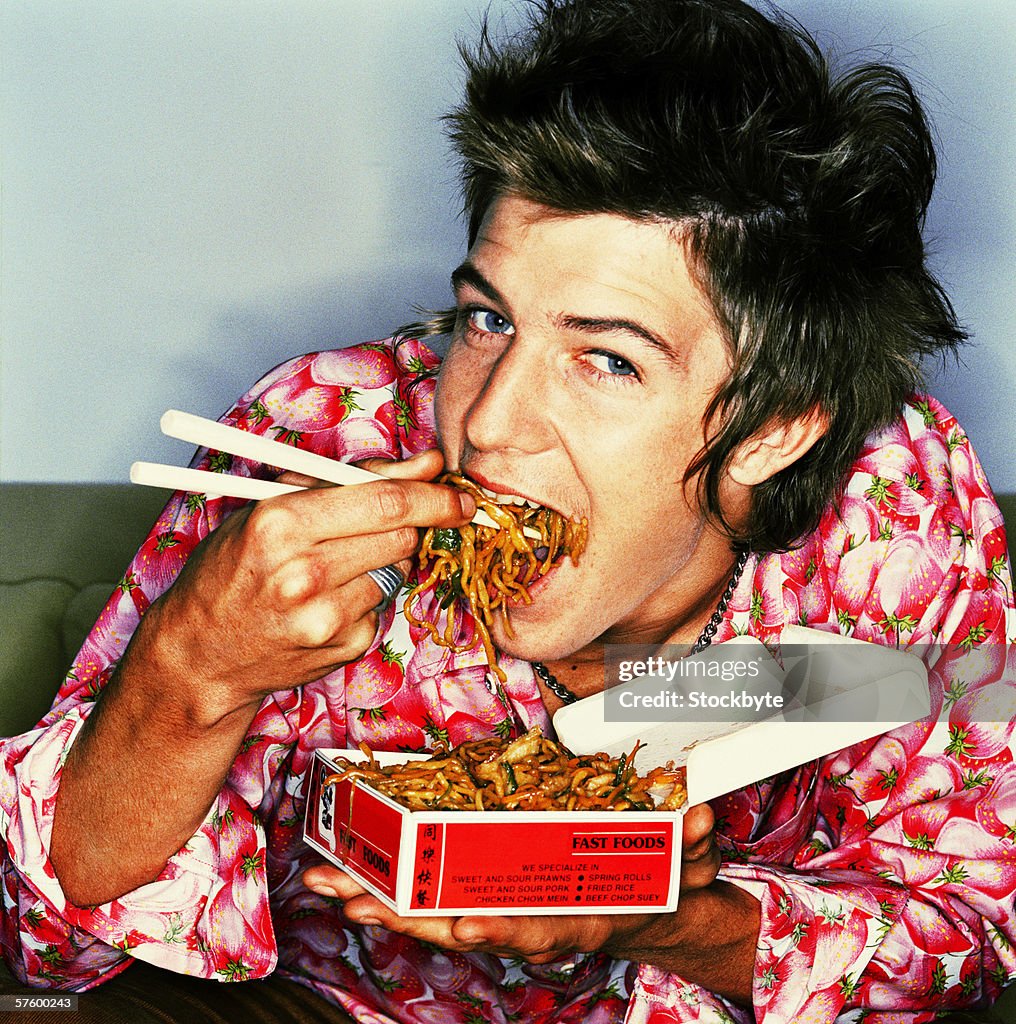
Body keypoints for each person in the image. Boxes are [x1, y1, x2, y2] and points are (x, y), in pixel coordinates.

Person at [2, 0, 1013, 1021]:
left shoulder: (893, 514)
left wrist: (660, 918)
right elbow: (42, 957)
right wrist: (189, 674)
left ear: (773, 430)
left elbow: (971, 930)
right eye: (488, 318)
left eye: (607, 358)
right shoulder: (322, 441)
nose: (487, 421)